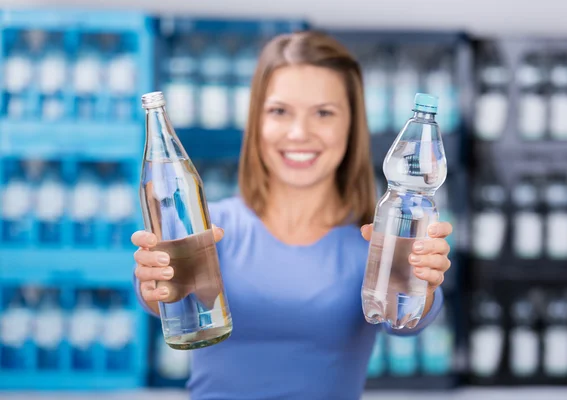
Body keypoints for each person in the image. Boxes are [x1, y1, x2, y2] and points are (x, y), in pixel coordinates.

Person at [132, 30, 453, 400]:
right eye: (280, 111)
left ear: (352, 125)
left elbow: (408, 323)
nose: (299, 133)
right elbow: (164, 298)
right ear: (256, 122)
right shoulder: (210, 229)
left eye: (323, 113)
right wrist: (155, 283)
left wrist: (422, 284)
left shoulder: (375, 240)